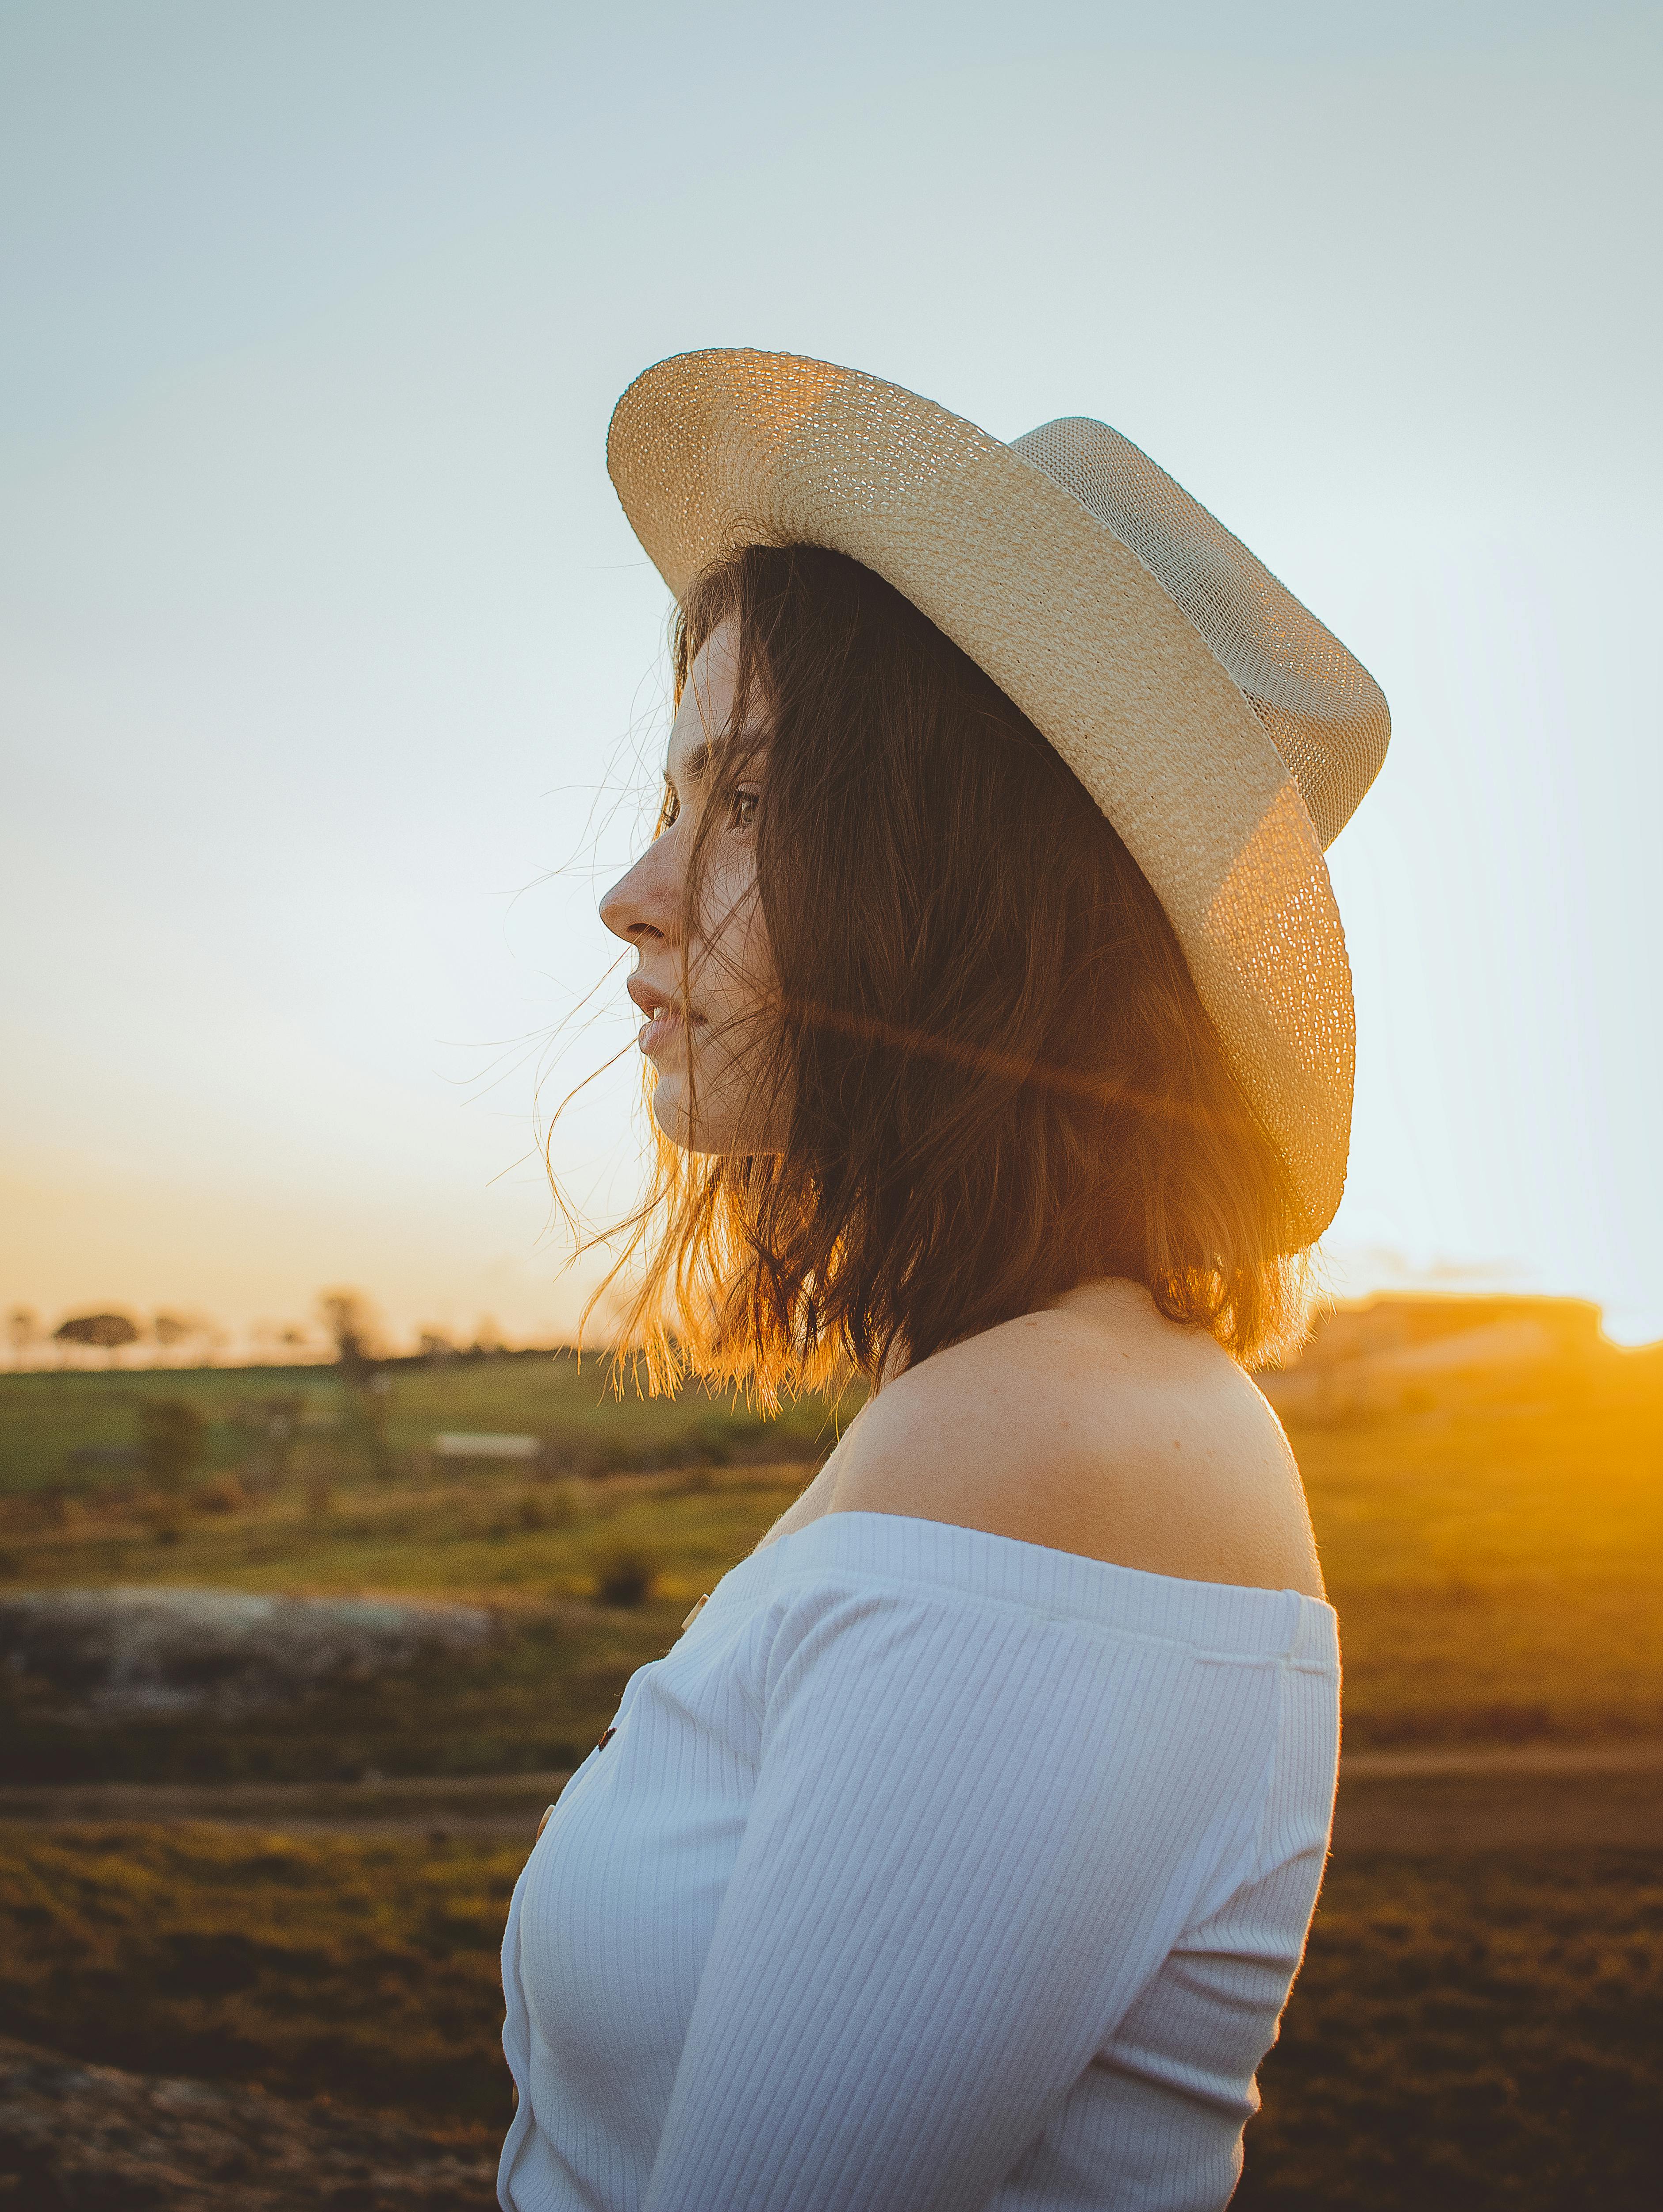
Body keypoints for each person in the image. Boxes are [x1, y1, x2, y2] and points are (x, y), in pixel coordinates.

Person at [495, 350, 1390, 2212]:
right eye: (676, 793)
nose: (637, 892)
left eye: (743, 798)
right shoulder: (1013, 1404)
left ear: (971, 880)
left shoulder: (1060, 1434)